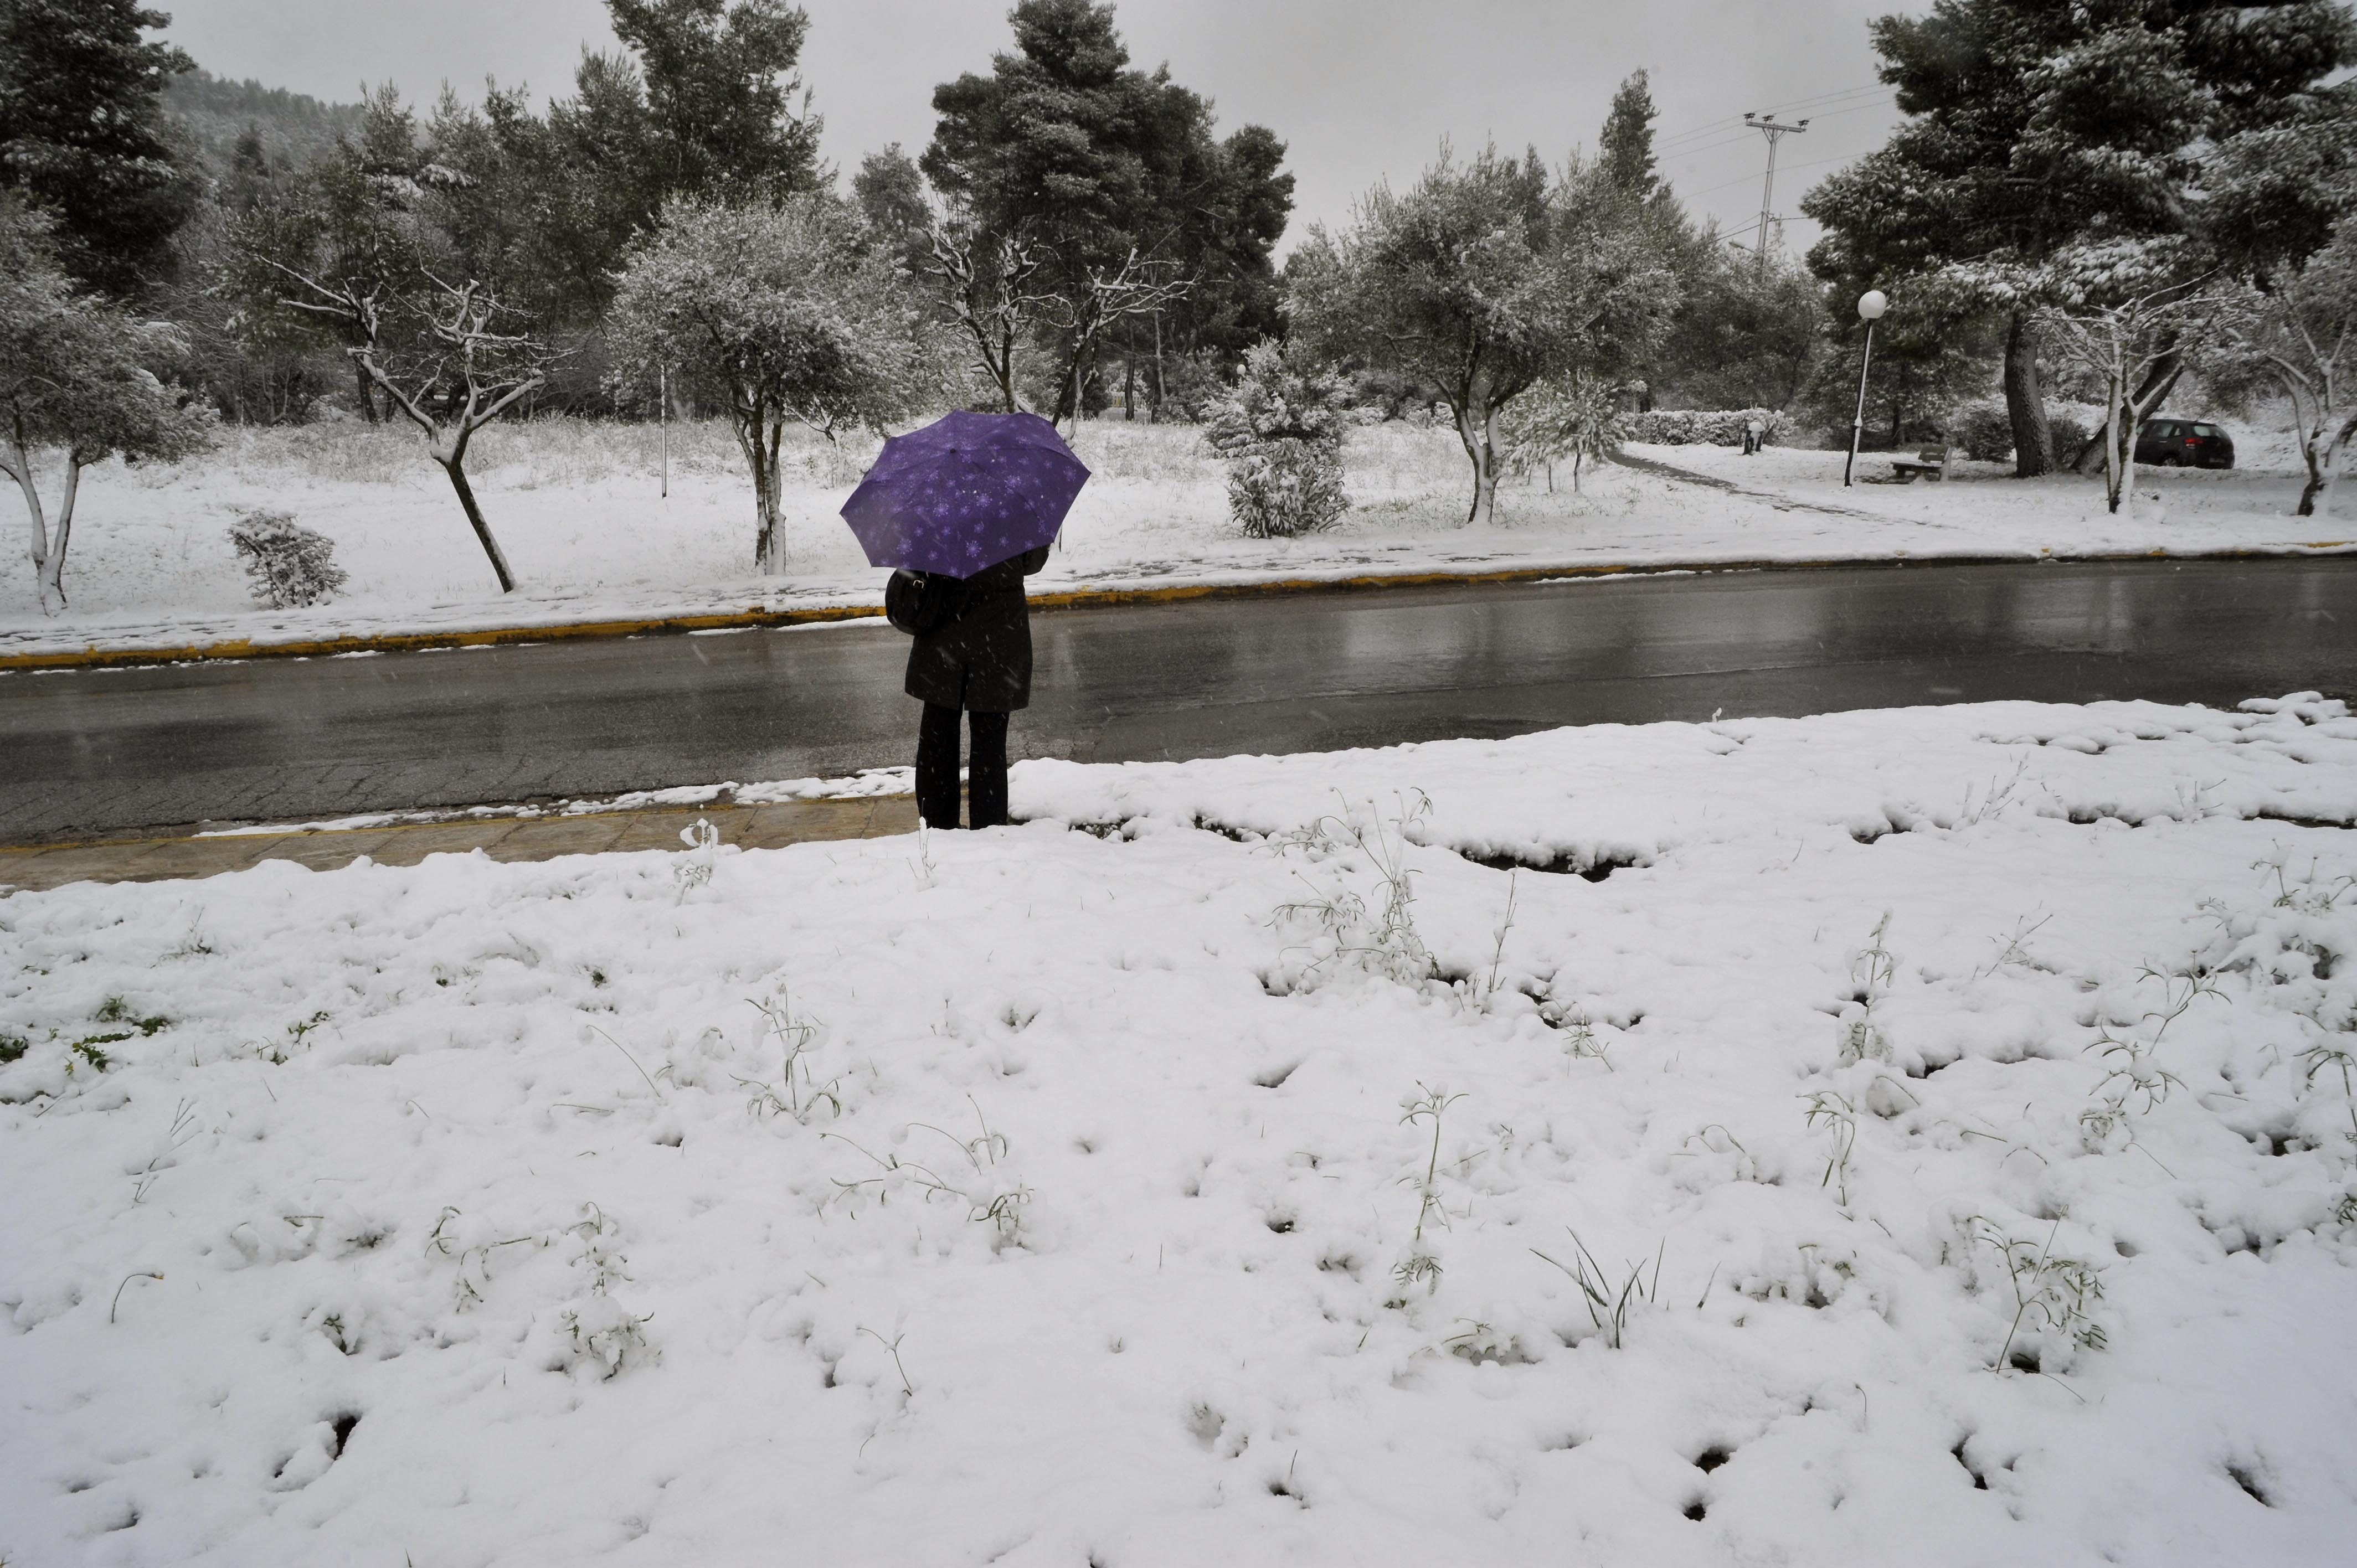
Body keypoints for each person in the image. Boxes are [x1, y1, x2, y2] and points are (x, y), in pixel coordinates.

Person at [904, 543, 1053, 830]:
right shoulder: (1012, 510)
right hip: (998, 637)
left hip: (944, 631)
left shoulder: (939, 507)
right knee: (990, 743)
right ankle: (988, 828)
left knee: (938, 736)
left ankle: (937, 826)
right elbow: (1032, 563)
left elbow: (916, 558)